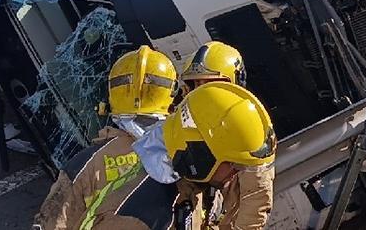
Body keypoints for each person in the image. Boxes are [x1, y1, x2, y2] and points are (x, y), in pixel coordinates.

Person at [34, 46, 181, 229]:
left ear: (110, 98)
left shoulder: (83, 165)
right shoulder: (184, 156)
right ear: (172, 99)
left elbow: (51, 222)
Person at [134, 82, 277, 229]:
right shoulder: (145, 217)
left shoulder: (180, 177)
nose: (236, 173)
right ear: (202, 155)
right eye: (233, 164)